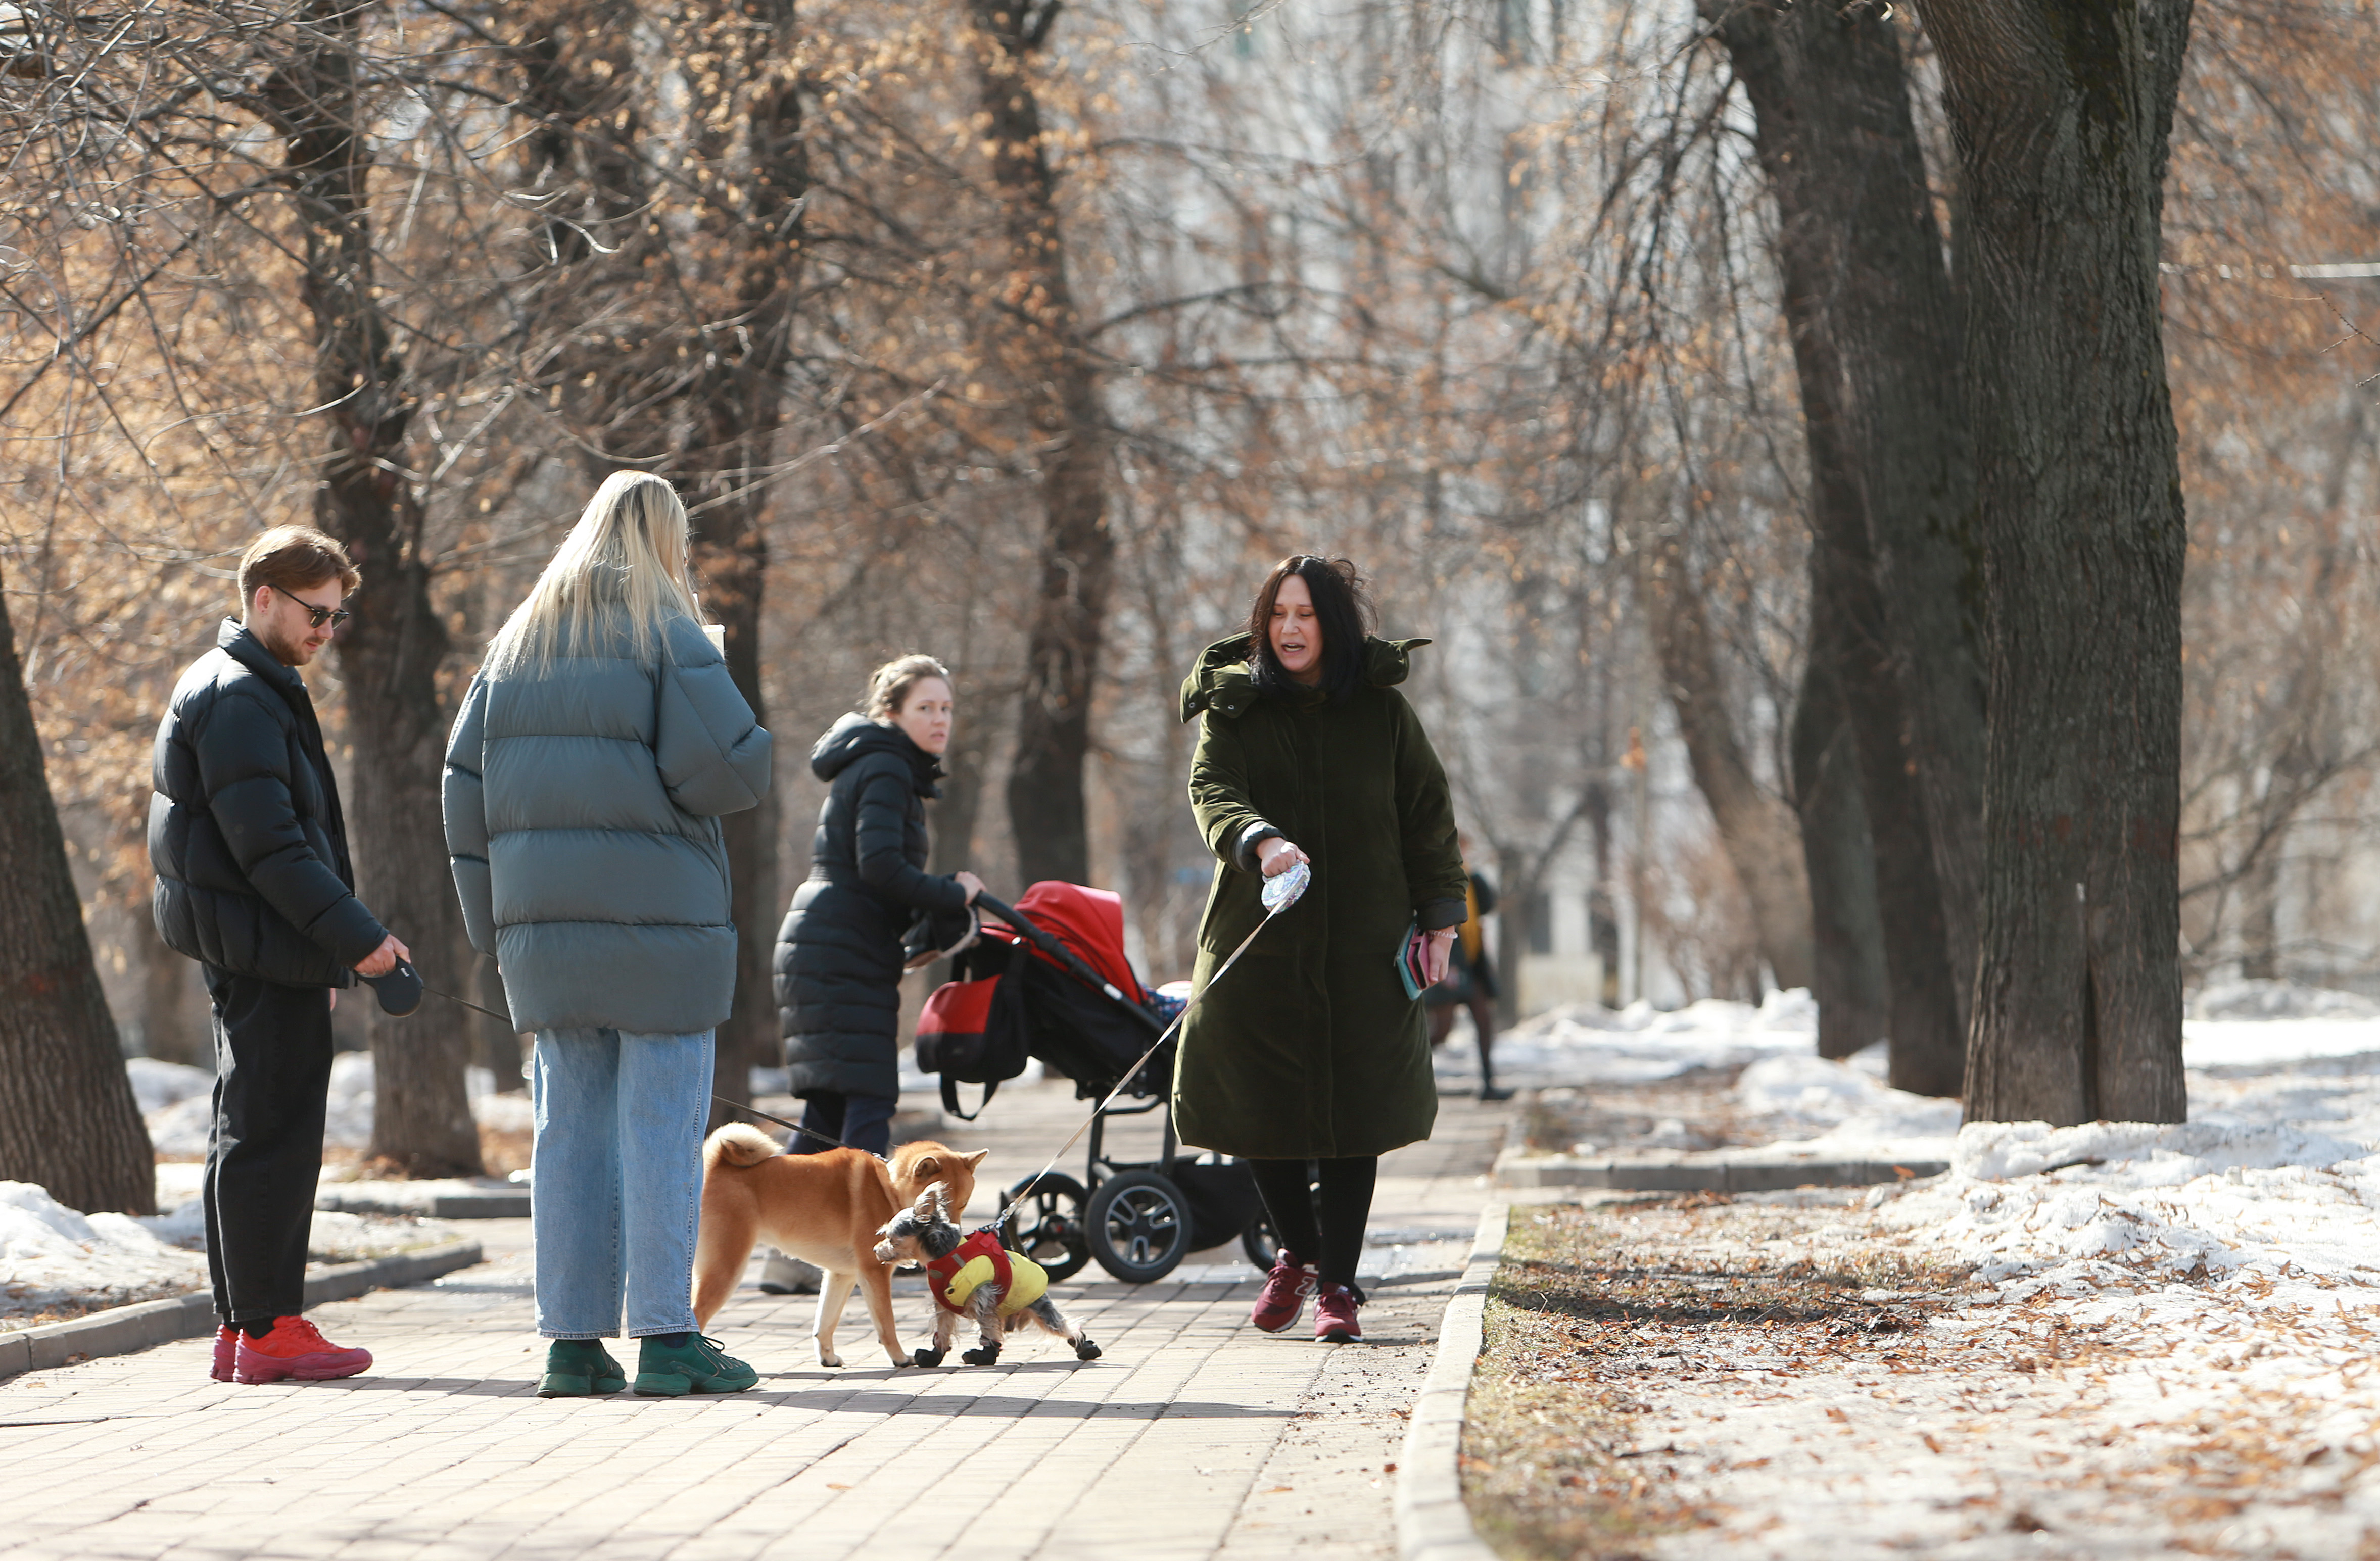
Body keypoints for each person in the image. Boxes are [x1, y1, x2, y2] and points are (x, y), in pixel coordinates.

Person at [443, 471, 772, 1398]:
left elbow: (461, 794)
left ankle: (573, 1345)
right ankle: (670, 1340)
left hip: (545, 942)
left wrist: (498, 932)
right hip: (659, 932)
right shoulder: (668, 633)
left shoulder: (513, 647)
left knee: (570, 1134)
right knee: (662, 1131)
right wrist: (718, 676)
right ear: (664, 541)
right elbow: (731, 776)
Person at [1175, 555, 1468, 1345]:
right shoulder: (1234, 708)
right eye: (1277, 614)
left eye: (1304, 614)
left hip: (1363, 943)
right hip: (1255, 937)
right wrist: (1257, 838)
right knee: (1255, 1102)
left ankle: (1336, 1282)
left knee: (1353, 1110)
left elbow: (1427, 815)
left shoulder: (1381, 713)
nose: (1289, 629)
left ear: (1332, 624)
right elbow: (1212, 792)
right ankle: (1296, 1252)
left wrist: (1440, 916)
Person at [151, 525, 410, 1384]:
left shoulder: (249, 687)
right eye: (315, 614)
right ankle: (268, 1327)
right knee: (274, 1137)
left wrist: (327, 959)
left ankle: (246, 1327)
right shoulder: (237, 696)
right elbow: (275, 852)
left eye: (335, 620)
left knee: (253, 1131)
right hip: (262, 948)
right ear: (263, 595)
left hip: (269, 950)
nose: (325, 634)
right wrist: (361, 942)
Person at [775, 656, 984, 1167]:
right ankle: (866, 1237)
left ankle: (782, 1235)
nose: (940, 720)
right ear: (892, 713)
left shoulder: (883, 765)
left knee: (828, 1110)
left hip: (834, 945)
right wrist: (953, 893)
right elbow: (881, 868)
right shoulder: (888, 767)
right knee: (868, 1101)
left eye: (947, 709)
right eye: (925, 707)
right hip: (839, 951)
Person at [1426, 834, 1511, 1102]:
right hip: (1446, 962)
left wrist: (1473, 873)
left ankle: (1488, 1084)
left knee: (1484, 1019)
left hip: (1471, 966)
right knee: (1442, 1030)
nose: (1463, 854)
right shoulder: (1436, 877)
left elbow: (1488, 905)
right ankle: (1402, 1076)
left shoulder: (1471, 879)